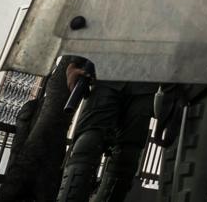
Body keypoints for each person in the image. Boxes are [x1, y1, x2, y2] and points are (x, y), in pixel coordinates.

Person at [56, 62, 157, 202]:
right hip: (109, 74)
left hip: (149, 82)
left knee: (127, 155)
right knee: (88, 142)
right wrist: (74, 64)